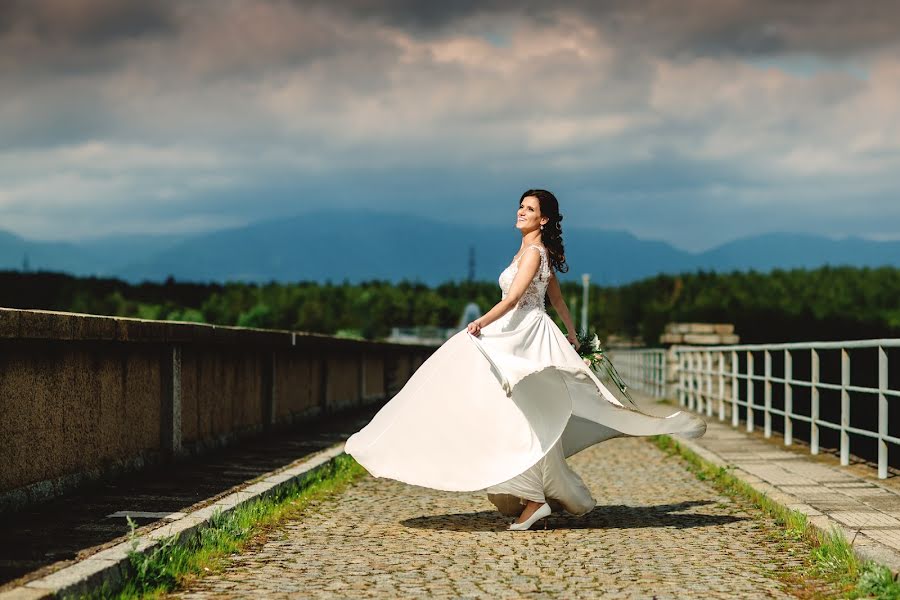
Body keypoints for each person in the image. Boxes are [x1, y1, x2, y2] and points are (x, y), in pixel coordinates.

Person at [344, 189, 706, 531]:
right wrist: (572, 335)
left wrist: (480, 323)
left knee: (519, 412)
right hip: (524, 331)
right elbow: (558, 301)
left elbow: (517, 298)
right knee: (523, 414)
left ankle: (534, 499)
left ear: (544, 220)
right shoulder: (532, 253)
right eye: (521, 206)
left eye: (530, 209)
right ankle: (535, 495)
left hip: (523, 335)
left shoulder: (534, 254)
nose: (521, 211)